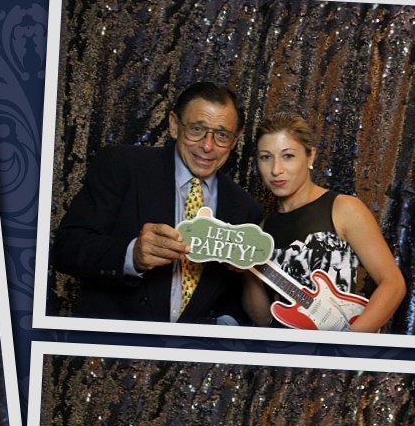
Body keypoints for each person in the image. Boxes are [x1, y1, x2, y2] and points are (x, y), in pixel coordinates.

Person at [52, 82, 263, 324]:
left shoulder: (246, 209)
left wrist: (226, 325)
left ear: (235, 140)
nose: (207, 145)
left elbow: (233, 290)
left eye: (222, 135)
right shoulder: (123, 166)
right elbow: (66, 249)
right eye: (196, 129)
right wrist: (131, 254)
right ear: (174, 125)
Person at [243, 112, 406, 333]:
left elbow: (393, 284)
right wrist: (247, 271)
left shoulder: (344, 209)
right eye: (265, 157)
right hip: (284, 351)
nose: (276, 169)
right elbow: (262, 319)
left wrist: (347, 343)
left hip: (339, 349)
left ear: (310, 157)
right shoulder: (263, 230)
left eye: (288, 156)